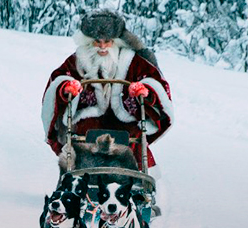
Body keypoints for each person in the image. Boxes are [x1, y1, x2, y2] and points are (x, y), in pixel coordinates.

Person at [41, 9, 174, 170]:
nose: (102, 47)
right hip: (89, 118)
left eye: (108, 41)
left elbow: (152, 79)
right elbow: (61, 77)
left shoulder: (132, 60)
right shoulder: (79, 60)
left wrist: (145, 90)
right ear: (89, 41)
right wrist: (66, 87)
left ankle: (137, 176)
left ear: (116, 41)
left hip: (124, 118)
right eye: (98, 41)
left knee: (134, 135)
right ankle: (82, 172)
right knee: (81, 133)